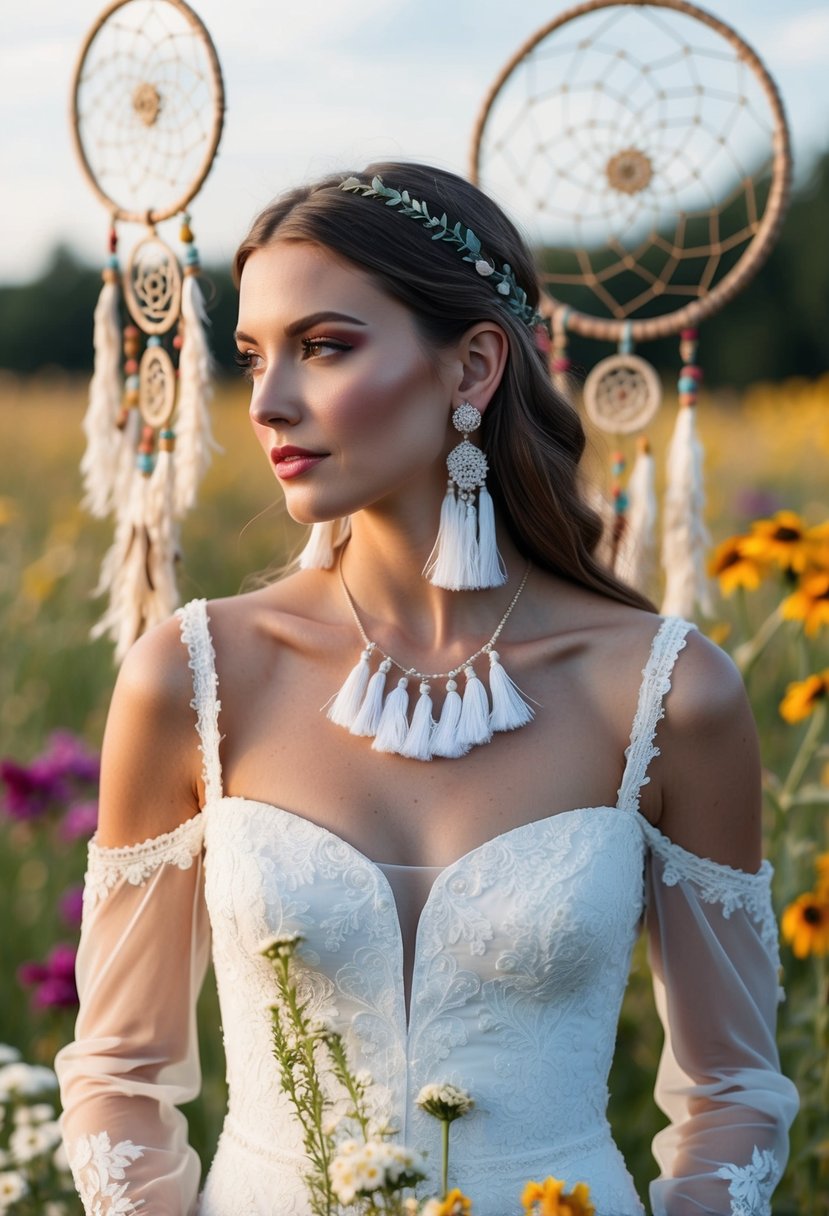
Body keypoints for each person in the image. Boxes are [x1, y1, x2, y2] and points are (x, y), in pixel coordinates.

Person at [56, 162, 797, 1216]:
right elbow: (118, 1077)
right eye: (255, 355)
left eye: (324, 347)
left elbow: (731, 1092)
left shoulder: (670, 694)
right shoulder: (190, 676)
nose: (267, 400)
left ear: (472, 368)